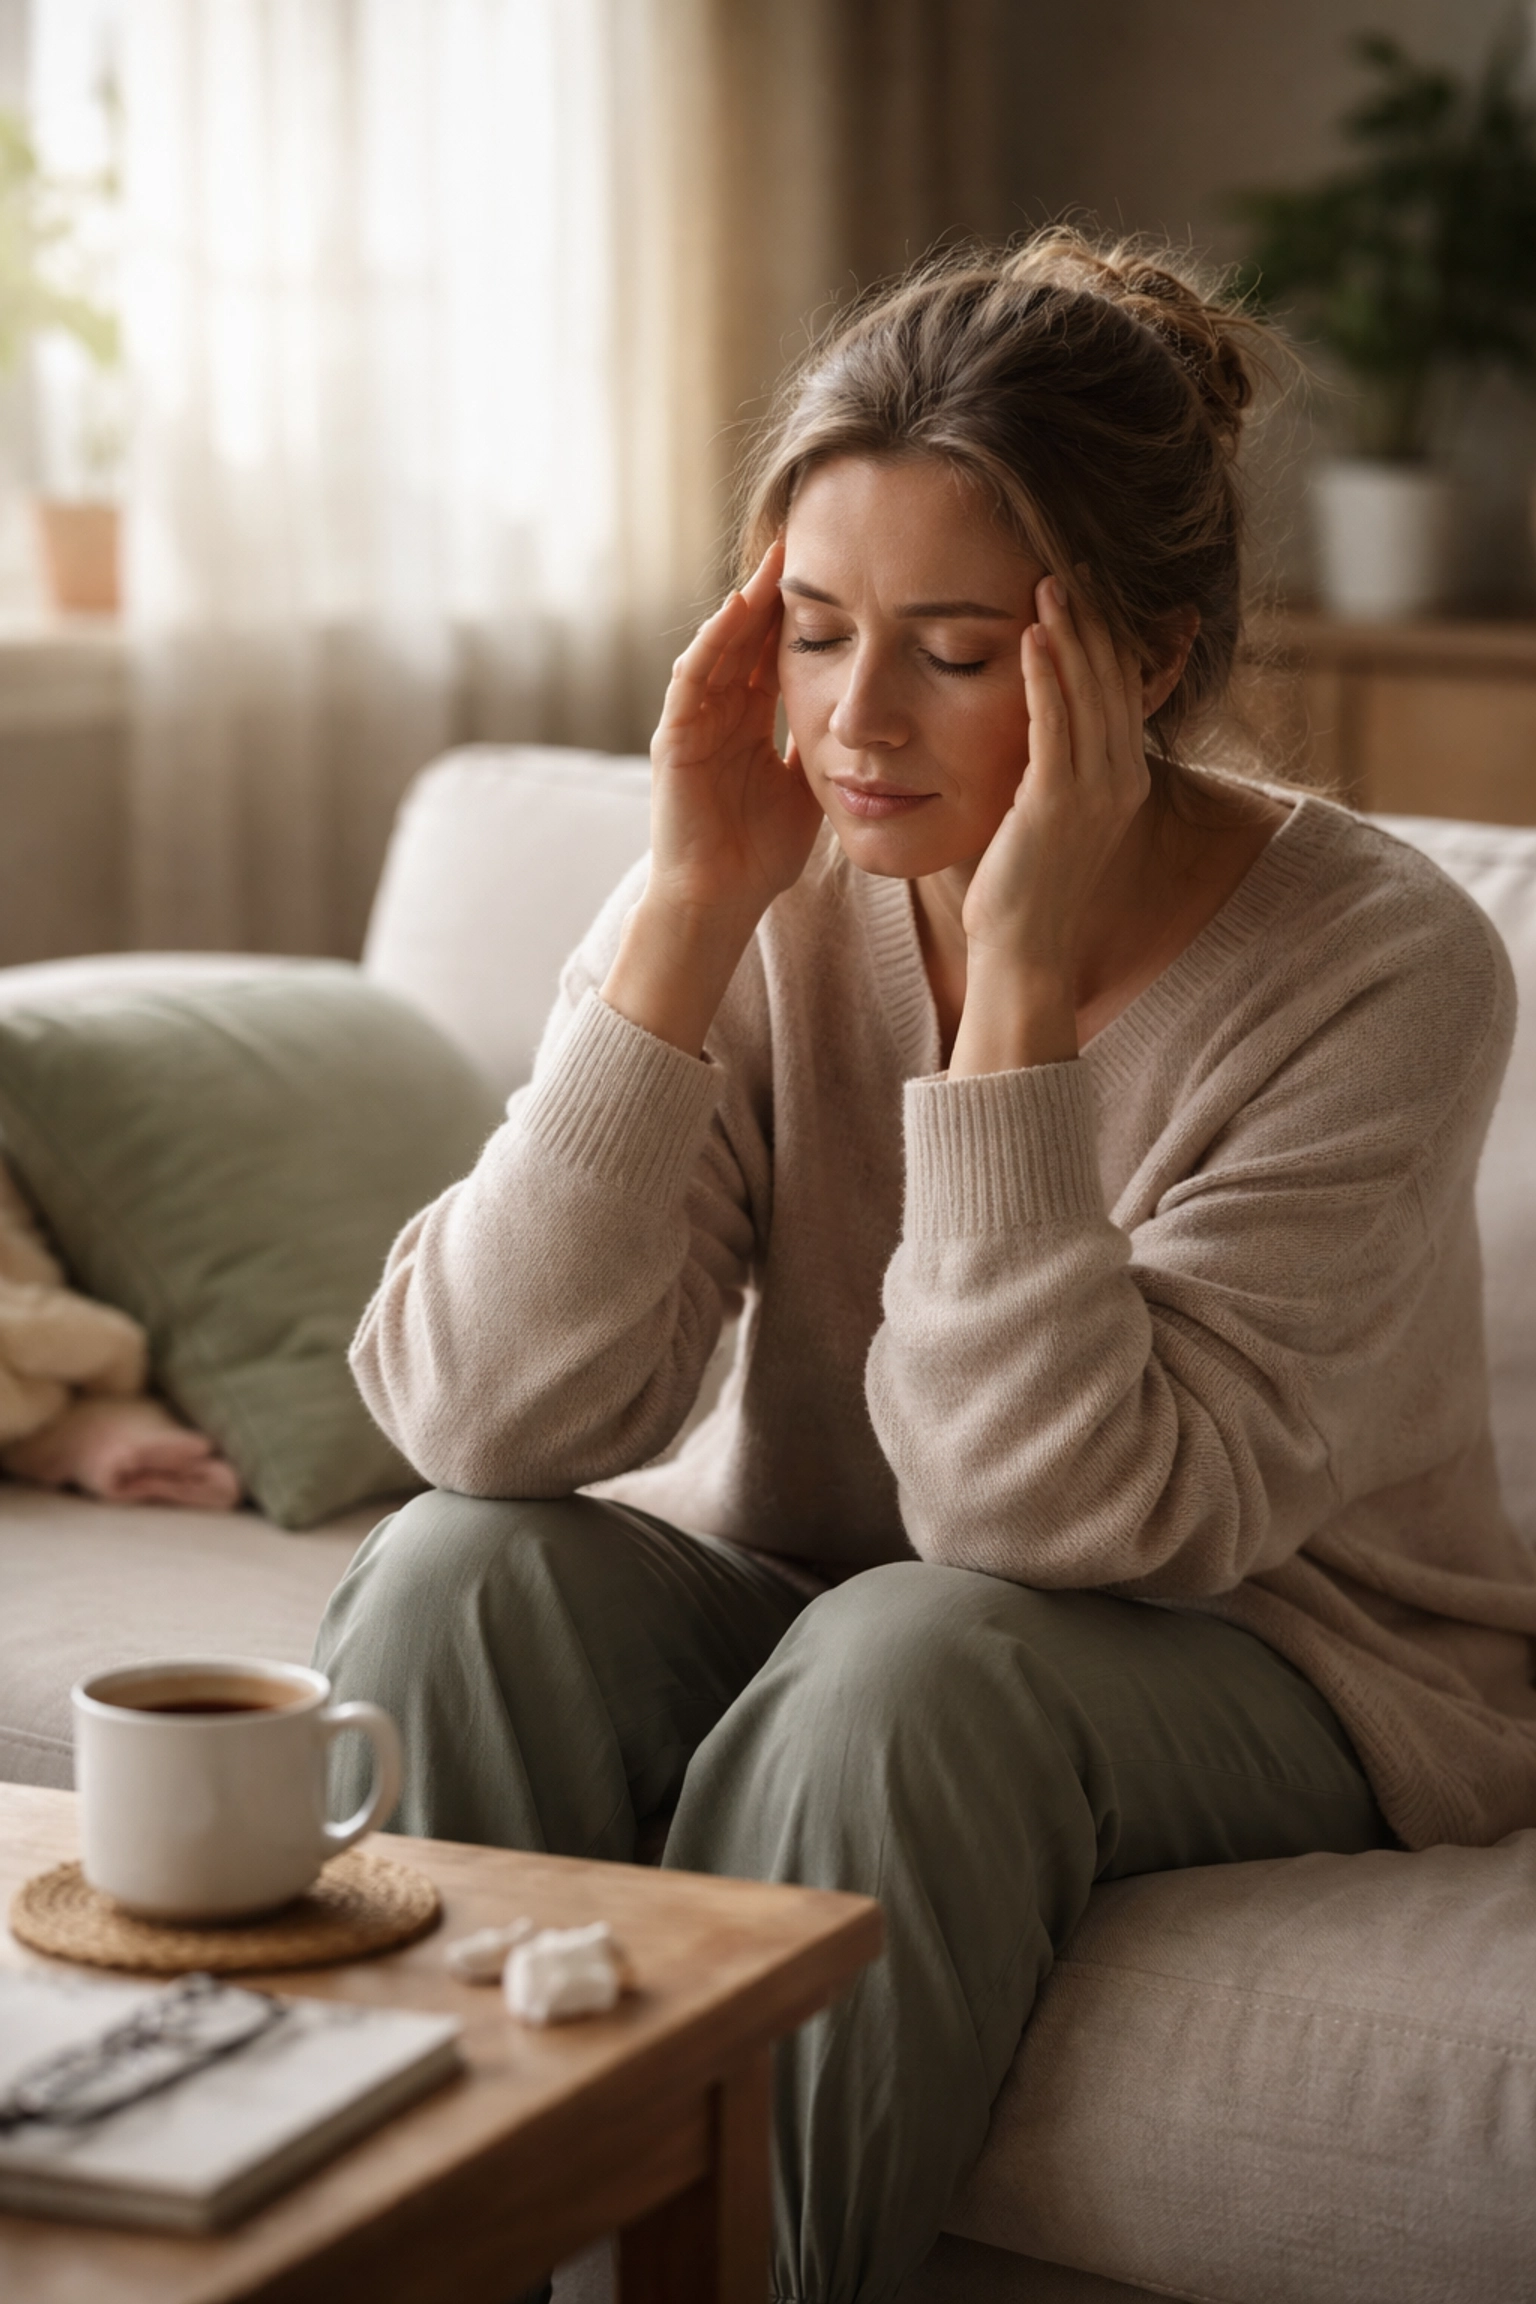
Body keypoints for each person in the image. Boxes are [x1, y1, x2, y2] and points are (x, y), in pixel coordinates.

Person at [316, 231, 1536, 2302]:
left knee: (909, 1662)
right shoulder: (765, 877)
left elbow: (1045, 1519)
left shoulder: (1386, 962)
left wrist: (1021, 998)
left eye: (954, 651)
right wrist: (689, 912)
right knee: (464, 1569)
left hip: (1283, 1649)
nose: (855, 720)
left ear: (1135, 661)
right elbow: (472, 1413)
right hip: (856, 1604)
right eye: (811, 629)